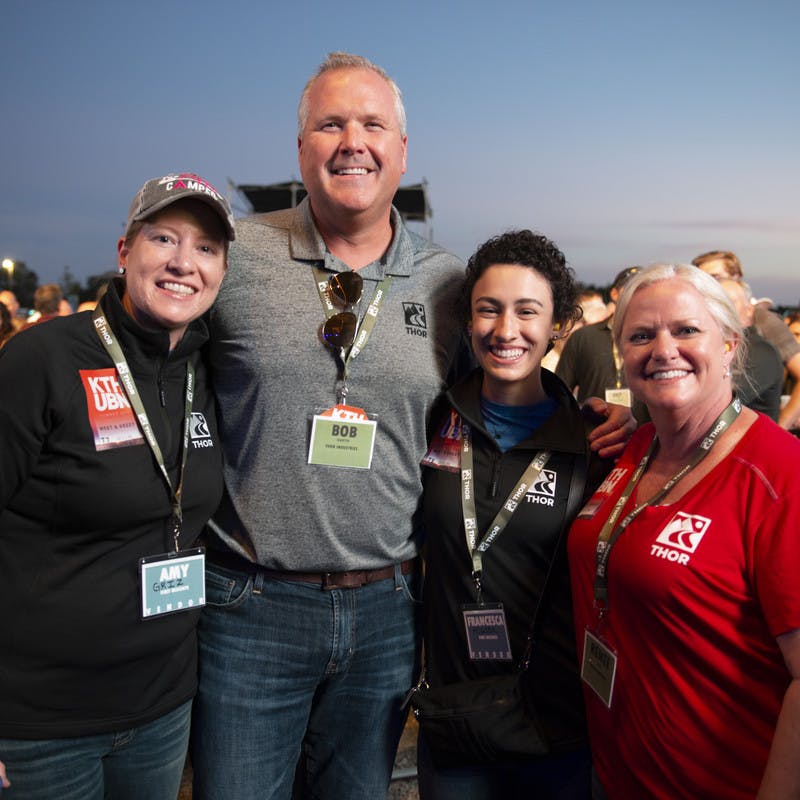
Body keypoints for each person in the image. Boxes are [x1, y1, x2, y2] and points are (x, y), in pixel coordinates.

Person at [192, 52, 633, 800]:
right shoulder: (237, 256)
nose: (352, 142)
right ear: (301, 147)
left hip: (390, 613)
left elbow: (503, 379)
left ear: (401, 150)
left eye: (372, 124)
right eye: (330, 124)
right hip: (251, 607)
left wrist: (593, 413)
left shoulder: (449, 280)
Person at [0, 171, 234, 799]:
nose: (184, 262)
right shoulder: (42, 359)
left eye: (207, 248)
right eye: (163, 238)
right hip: (41, 723)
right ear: (125, 250)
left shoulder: (207, 374)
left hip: (160, 709)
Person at [568, 264, 800, 799]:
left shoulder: (777, 475)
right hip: (616, 771)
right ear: (622, 357)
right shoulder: (633, 448)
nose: (663, 349)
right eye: (641, 336)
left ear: (729, 346)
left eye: (686, 330)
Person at [417, 230, 615, 799]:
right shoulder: (433, 418)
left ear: (559, 325)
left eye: (528, 312)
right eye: (488, 310)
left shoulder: (594, 443)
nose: (506, 331)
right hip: (453, 721)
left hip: (554, 729)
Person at [692, 249, 800, 429]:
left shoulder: (763, 322)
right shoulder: (701, 321)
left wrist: (780, 430)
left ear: (736, 277)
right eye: (702, 278)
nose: (709, 285)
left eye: (715, 277)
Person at [557, 266, 650, 424]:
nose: (636, 295)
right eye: (630, 288)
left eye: (644, 289)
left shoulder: (654, 339)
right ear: (614, 293)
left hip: (645, 441)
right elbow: (557, 396)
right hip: (593, 438)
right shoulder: (584, 337)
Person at [718, 277, 783, 420]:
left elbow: (715, 405)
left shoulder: (760, 352)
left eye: (728, 302)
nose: (719, 309)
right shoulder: (718, 346)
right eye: (714, 303)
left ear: (749, 310)